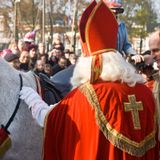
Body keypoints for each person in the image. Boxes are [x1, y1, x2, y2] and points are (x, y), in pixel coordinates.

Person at [20, 1, 159, 160]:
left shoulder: (86, 96)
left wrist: (32, 99)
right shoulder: (146, 93)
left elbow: (50, 119)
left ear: (90, 63)